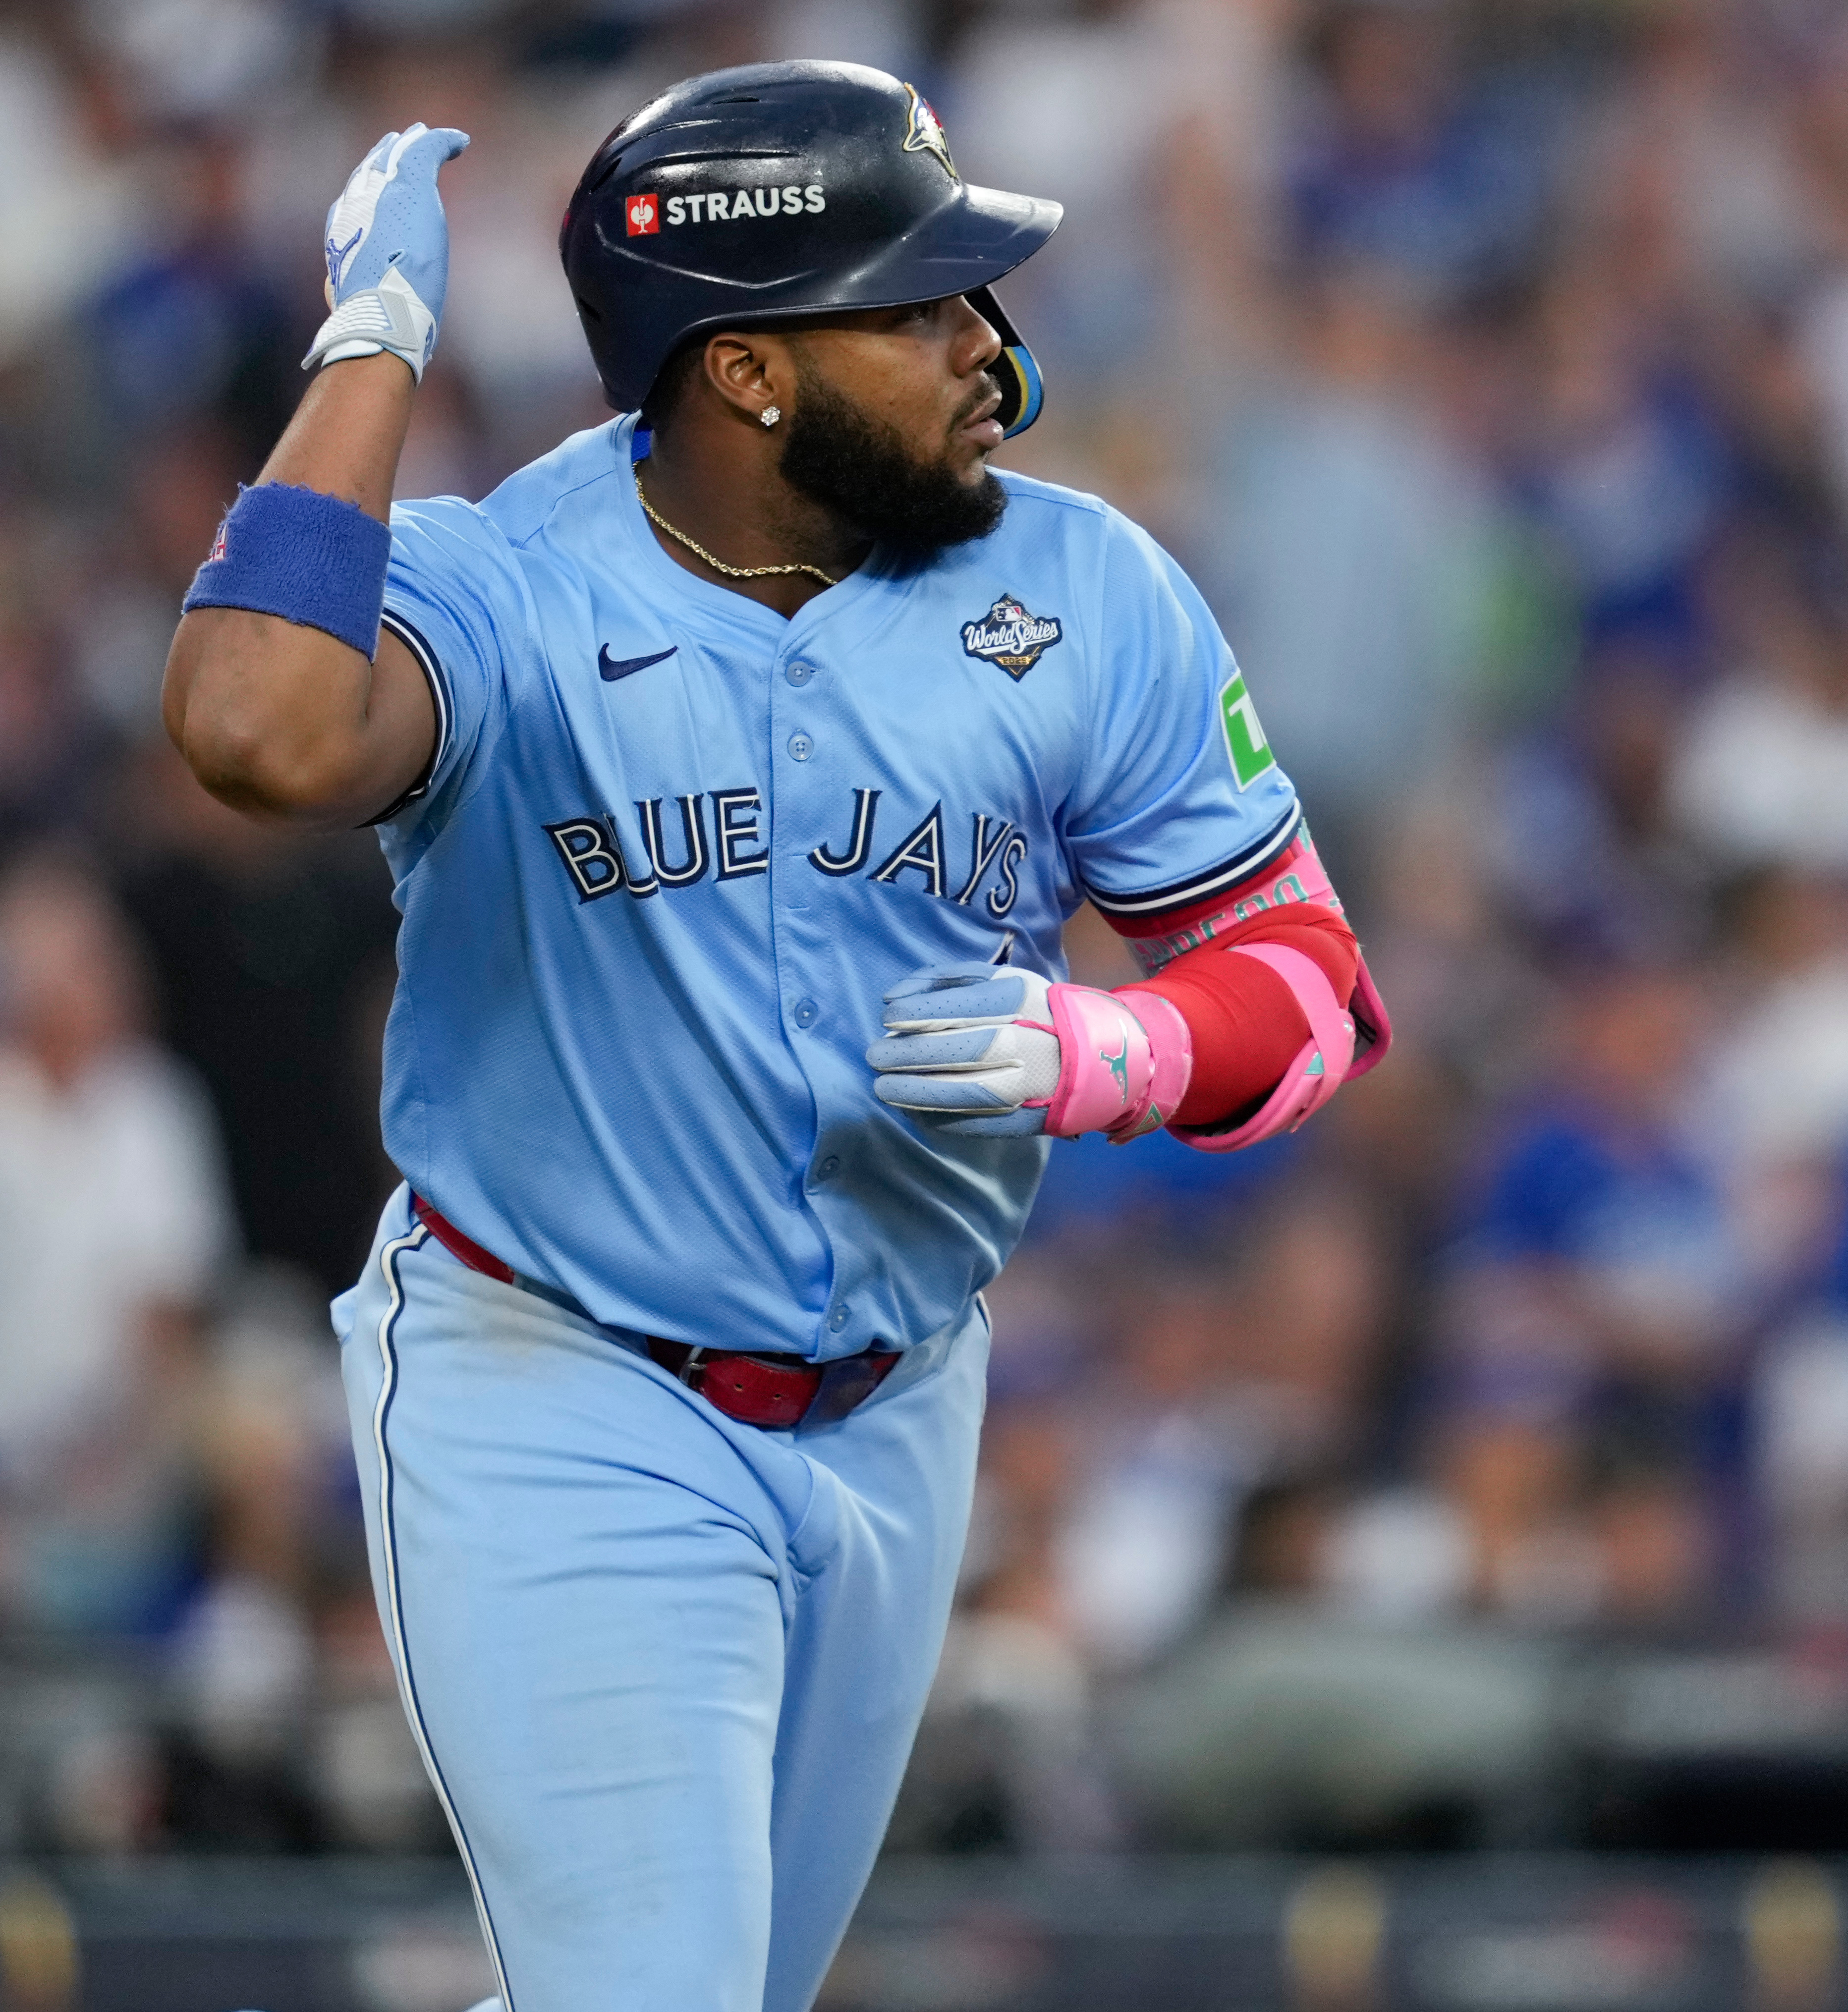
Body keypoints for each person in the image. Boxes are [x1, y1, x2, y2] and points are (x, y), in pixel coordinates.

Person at [160, 64, 1393, 2012]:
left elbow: (1305, 985)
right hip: (562, 1373)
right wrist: (371, 349)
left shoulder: (1084, 591)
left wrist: (1115, 1053)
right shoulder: (511, 586)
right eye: (915, 309)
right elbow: (250, 727)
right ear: (745, 375)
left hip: (897, 1399)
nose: (983, 351)